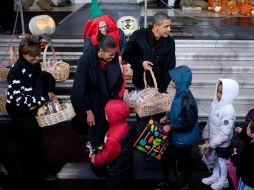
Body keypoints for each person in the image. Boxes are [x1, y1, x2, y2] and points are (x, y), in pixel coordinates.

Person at [6, 35, 56, 190]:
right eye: (33, 58)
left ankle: (38, 174)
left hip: (30, 111)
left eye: (38, 57)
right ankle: (32, 179)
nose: (36, 60)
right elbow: (19, 101)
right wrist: (42, 98)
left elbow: (39, 81)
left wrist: (48, 90)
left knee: (36, 143)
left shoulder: (33, 64)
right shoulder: (16, 72)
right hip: (20, 113)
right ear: (24, 54)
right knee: (29, 147)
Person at [71, 35, 125, 148]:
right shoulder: (86, 60)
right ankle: (96, 160)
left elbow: (117, 79)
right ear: (101, 51)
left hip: (108, 103)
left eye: (115, 54)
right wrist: (88, 111)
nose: (113, 57)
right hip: (92, 104)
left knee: (110, 137)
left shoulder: (111, 56)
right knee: (96, 138)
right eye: (111, 55)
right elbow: (79, 88)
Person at [158, 65, 199, 190]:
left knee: (184, 160)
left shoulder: (187, 100)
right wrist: (168, 117)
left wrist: (170, 126)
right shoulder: (180, 93)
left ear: (182, 81)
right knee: (170, 157)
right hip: (177, 135)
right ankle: (172, 180)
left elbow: (187, 122)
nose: (173, 82)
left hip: (183, 138)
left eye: (176, 80)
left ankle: (186, 182)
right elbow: (177, 112)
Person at [122, 11, 176, 93]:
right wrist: (141, 63)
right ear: (156, 26)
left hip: (159, 88)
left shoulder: (170, 42)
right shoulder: (138, 35)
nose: (169, 29)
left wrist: (161, 90)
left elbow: (170, 67)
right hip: (139, 84)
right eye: (166, 26)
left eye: (170, 26)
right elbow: (127, 55)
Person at [202, 79, 239, 190]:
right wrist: (207, 137)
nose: (218, 95)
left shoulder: (228, 111)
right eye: (217, 91)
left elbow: (224, 133)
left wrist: (212, 144)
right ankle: (216, 175)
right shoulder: (215, 103)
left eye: (221, 93)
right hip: (214, 139)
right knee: (217, 159)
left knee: (222, 161)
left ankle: (224, 180)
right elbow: (209, 121)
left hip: (222, 142)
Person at [89, 99, 133, 190]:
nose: (105, 115)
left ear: (113, 116)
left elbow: (108, 155)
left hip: (116, 172)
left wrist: (95, 160)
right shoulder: (123, 125)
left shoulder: (114, 137)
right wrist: (103, 146)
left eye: (106, 113)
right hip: (124, 165)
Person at [83, 0, 126, 64]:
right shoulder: (90, 38)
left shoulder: (119, 32)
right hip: (98, 66)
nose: (104, 29)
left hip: (116, 63)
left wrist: (121, 56)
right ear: (96, 28)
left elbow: (124, 46)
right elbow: (87, 53)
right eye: (101, 27)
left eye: (105, 26)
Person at [231, 119, 254, 190]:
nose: (246, 128)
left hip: (250, 183)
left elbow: (242, 163)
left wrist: (234, 156)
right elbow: (249, 139)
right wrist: (242, 132)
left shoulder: (250, 149)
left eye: (247, 127)